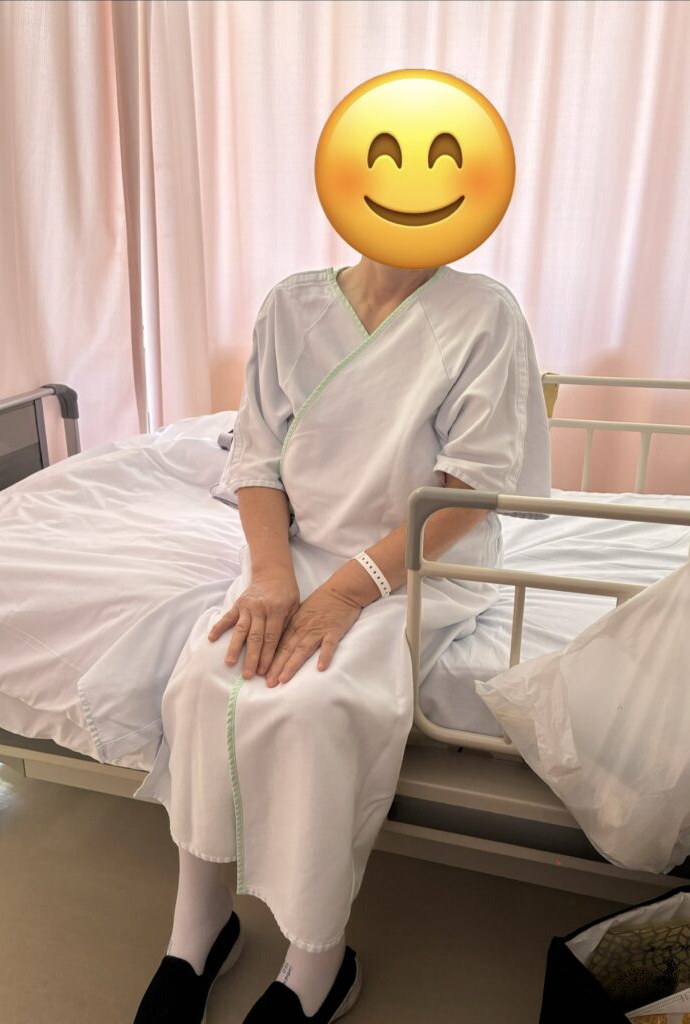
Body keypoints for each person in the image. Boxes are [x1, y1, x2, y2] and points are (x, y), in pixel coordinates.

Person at [132, 255, 551, 1023]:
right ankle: (198, 929)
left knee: (317, 705)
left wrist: (350, 591)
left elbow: (473, 490)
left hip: (422, 563)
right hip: (299, 552)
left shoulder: (483, 313)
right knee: (203, 679)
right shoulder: (291, 306)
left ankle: (317, 960)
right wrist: (270, 575)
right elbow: (257, 459)